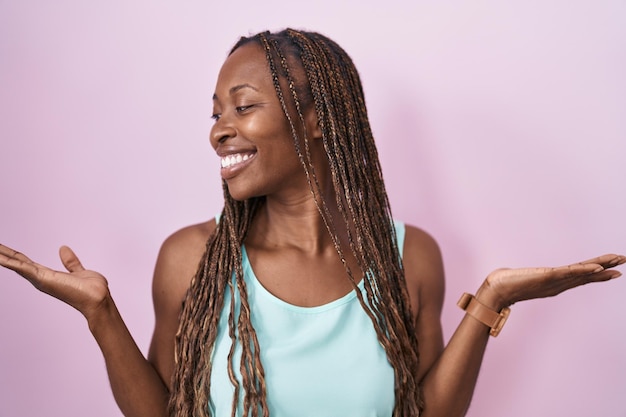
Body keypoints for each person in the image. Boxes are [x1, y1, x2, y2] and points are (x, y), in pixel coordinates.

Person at [0, 28, 623, 417]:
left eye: (244, 107)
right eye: (216, 112)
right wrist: (101, 315)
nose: (220, 129)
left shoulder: (410, 257)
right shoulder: (190, 258)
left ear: (319, 118)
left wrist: (489, 301)